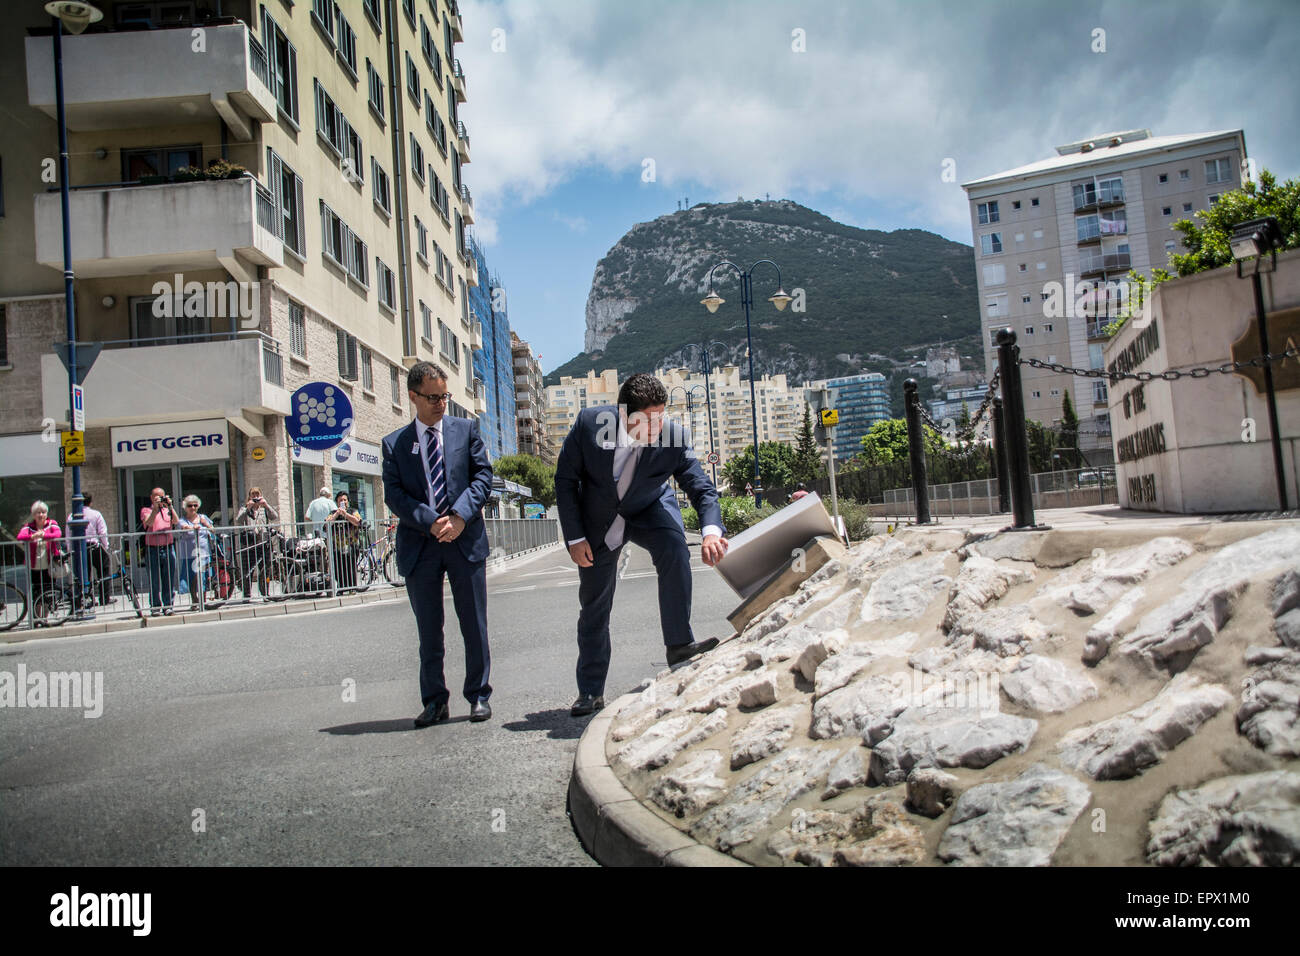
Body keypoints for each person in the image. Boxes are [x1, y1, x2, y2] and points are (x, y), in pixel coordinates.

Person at [555, 372, 729, 717]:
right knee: (594, 605)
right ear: (623, 415)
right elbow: (565, 480)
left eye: (660, 417)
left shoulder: (673, 437)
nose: (656, 428)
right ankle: (590, 691)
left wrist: (710, 530)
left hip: (649, 507)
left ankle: (679, 644)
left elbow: (701, 488)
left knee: (675, 548)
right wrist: (574, 538)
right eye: (647, 421)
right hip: (599, 521)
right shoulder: (590, 426)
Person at [381, 361, 494, 727]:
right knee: (429, 630)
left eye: (444, 396)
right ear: (413, 396)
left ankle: (478, 695)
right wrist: (432, 522)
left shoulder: (466, 430)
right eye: (432, 398)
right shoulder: (394, 444)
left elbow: (482, 477)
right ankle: (434, 701)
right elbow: (395, 496)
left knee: (474, 624)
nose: (441, 404)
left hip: (465, 538)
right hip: (422, 544)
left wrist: (459, 516)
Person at [17, 501, 63, 626]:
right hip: (34, 566)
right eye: (38, 513)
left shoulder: (52, 524)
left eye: (43, 512)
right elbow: (20, 536)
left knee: (48, 593)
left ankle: (44, 619)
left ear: (46, 514)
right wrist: (32, 537)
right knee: (36, 593)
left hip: (50, 565)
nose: (41, 515)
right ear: (33, 515)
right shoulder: (28, 526)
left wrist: (44, 535)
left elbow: (57, 534)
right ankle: (37, 619)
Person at [234, 486, 279, 601]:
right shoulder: (245, 508)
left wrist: (266, 505)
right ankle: (247, 595)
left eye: (257, 494)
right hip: (248, 543)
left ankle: (265, 593)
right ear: (249, 497)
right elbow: (238, 520)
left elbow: (275, 517)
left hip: (263, 542)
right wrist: (247, 508)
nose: (255, 497)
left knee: (265, 568)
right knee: (247, 570)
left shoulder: (263, 509)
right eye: (253, 495)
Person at [68, 492, 111, 611]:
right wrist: (105, 546)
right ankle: (104, 598)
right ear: (91, 502)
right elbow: (102, 532)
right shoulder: (96, 514)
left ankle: (86, 598)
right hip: (94, 546)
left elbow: (68, 534)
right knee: (104, 571)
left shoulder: (72, 515)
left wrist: (69, 549)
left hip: (80, 548)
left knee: (84, 574)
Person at [140, 487, 178, 616]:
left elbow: (176, 521)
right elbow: (149, 523)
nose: (159, 499)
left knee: (168, 578)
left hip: (168, 547)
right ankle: (155, 606)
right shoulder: (146, 510)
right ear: (151, 497)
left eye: (161, 496)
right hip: (152, 549)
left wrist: (170, 506)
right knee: (154, 580)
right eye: (156, 497)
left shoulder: (167, 510)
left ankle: (168, 606)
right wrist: (155, 509)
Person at [176, 495, 215, 610]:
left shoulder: (203, 517)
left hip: (203, 553)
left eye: (195, 505)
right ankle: (195, 602)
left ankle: (202, 601)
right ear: (185, 507)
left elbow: (212, 530)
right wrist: (191, 527)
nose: (193, 508)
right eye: (190, 505)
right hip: (189, 554)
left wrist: (206, 524)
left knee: (203, 578)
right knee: (192, 579)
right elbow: (182, 527)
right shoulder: (183, 520)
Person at [325, 490, 362, 590]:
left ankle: (352, 588)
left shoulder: (353, 511)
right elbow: (327, 524)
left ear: (348, 501)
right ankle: (341, 588)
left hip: (351, 545)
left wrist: (346, 514)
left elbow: (358, 522)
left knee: (350, 568)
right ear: (337, 502)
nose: (343, 501)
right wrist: (337, 514)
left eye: (345, 500)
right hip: (336, 546)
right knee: (338, 569)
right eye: (340, 500)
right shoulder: (333, 513)